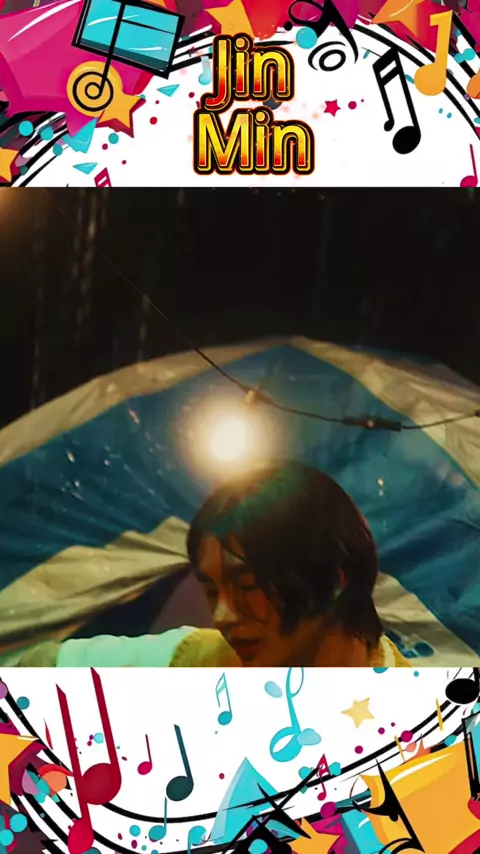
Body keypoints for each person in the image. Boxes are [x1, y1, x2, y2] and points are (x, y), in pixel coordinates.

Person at [186, 460, 408, 667]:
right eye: (211, 591)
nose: (221, 617)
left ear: (333, 579)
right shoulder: (191, 659)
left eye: (247, 584)